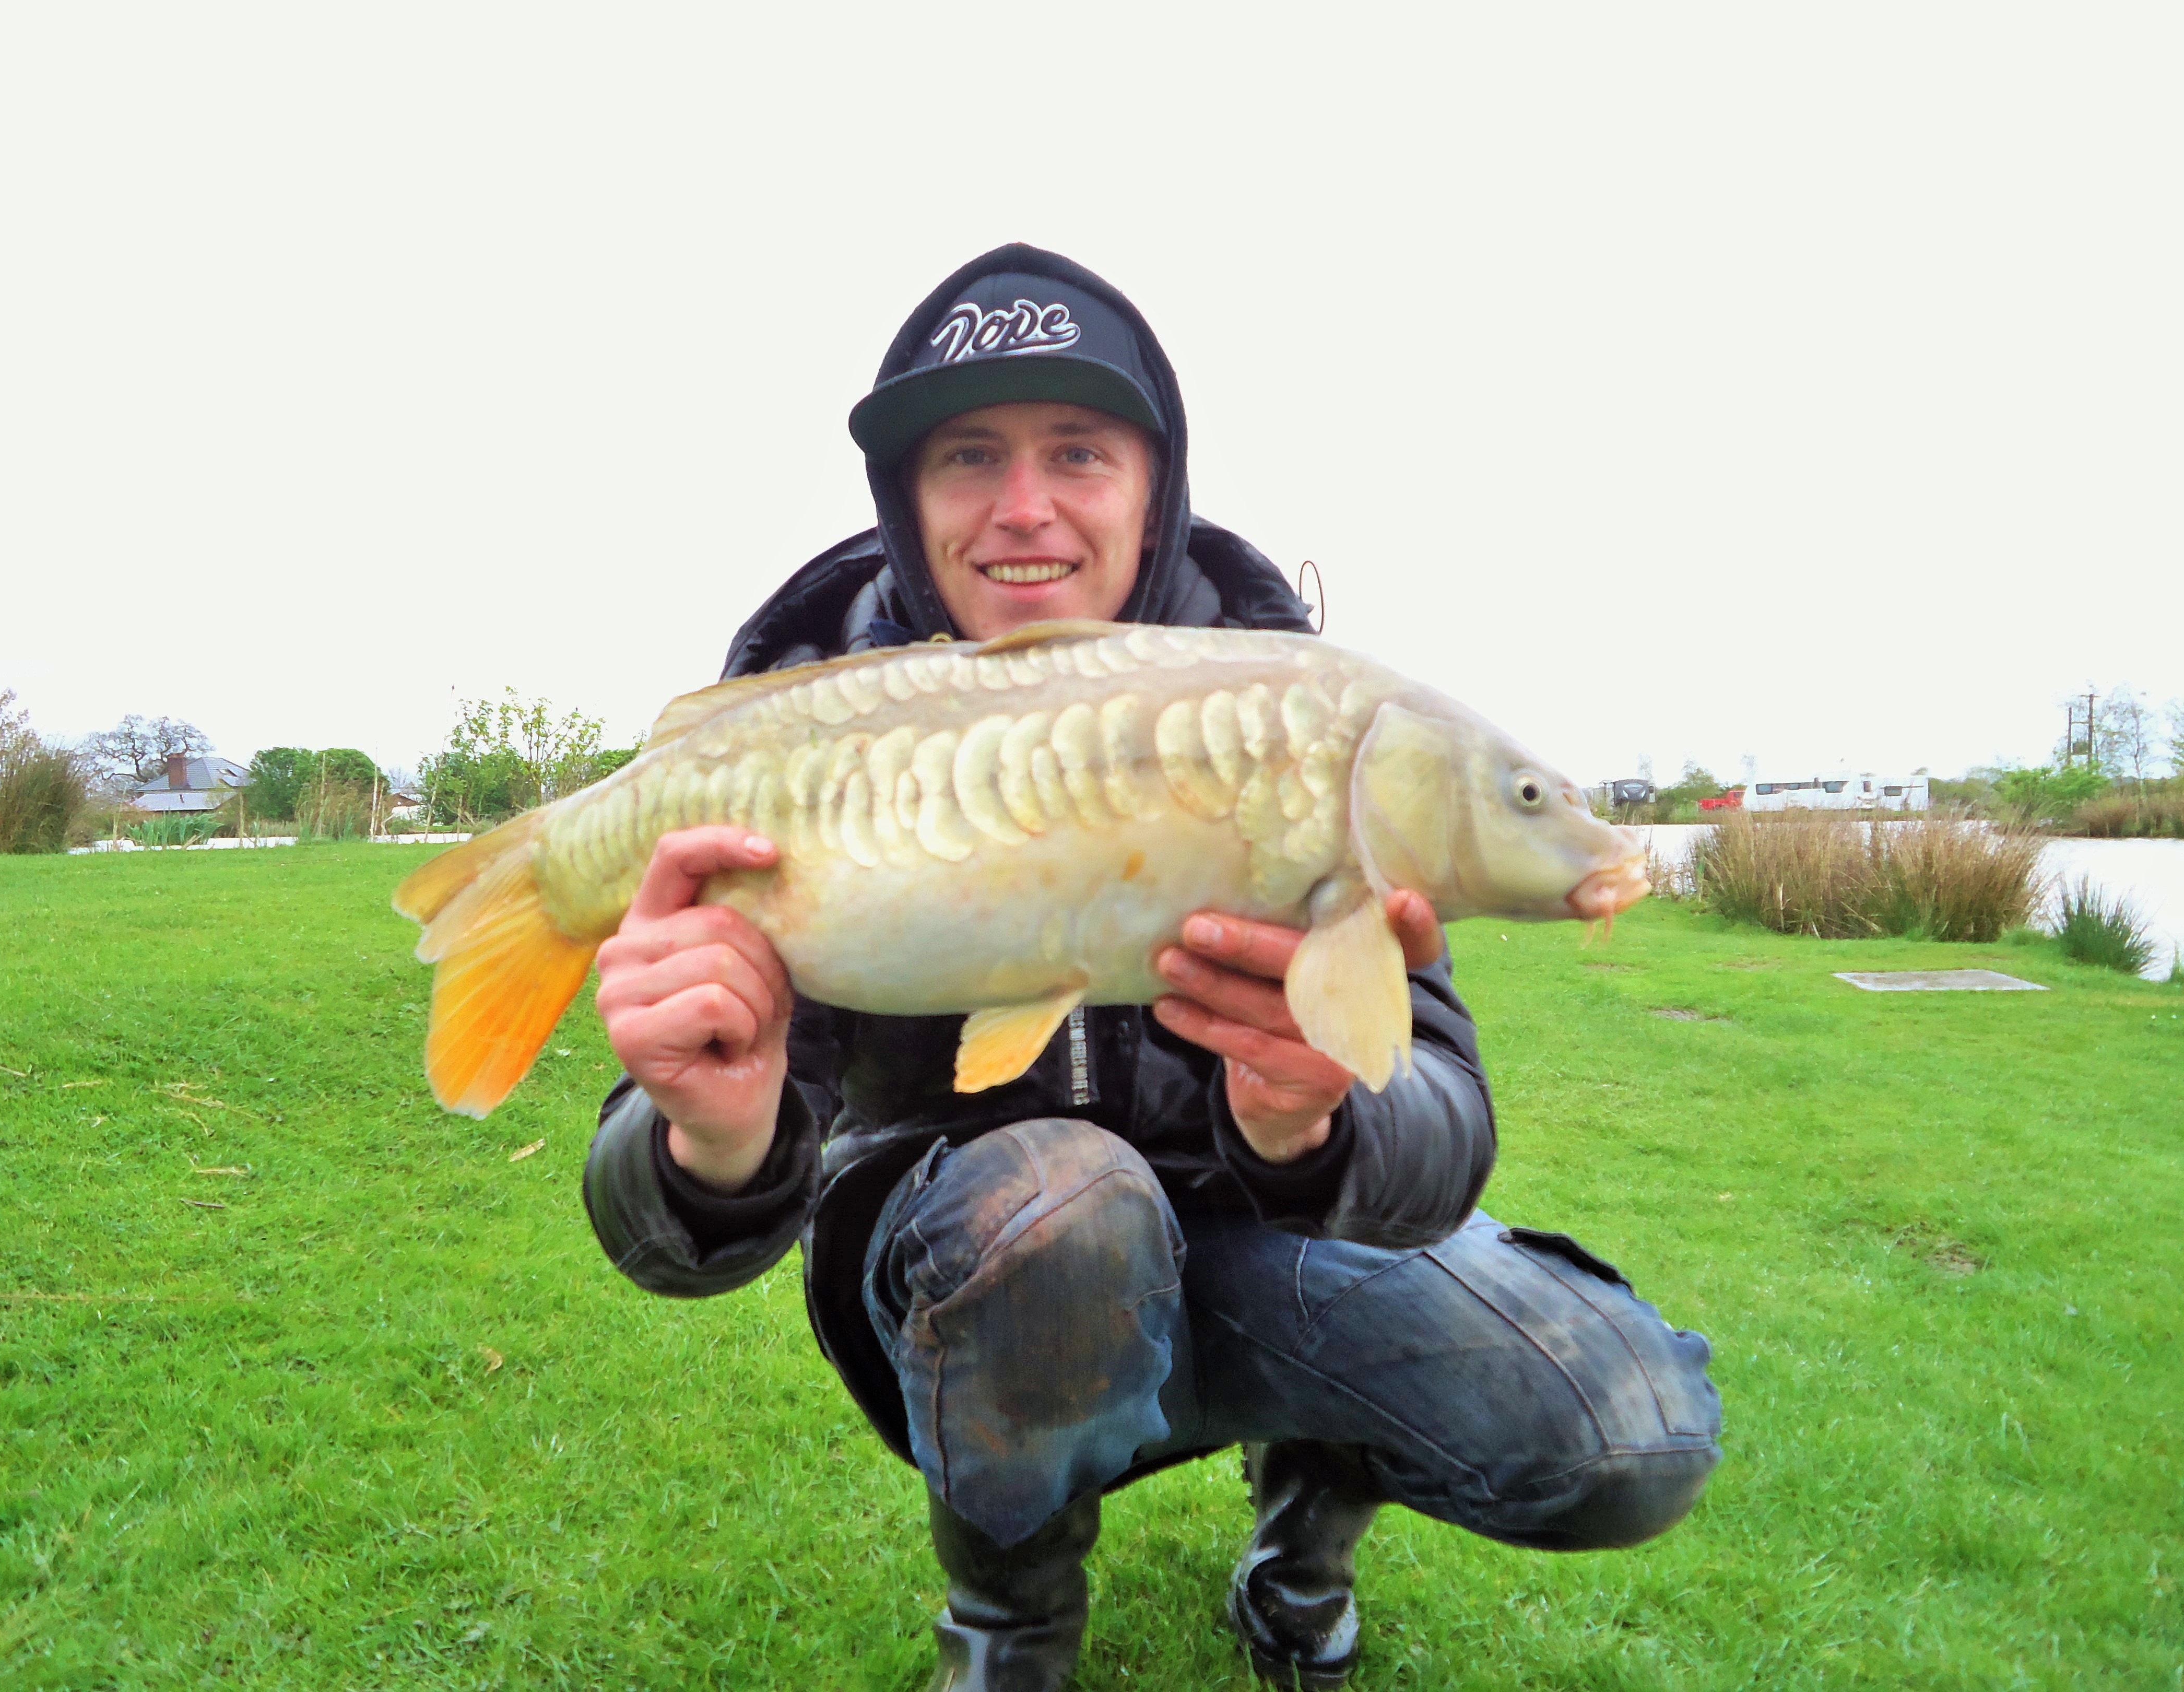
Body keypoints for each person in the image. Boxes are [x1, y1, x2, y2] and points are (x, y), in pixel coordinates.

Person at [581, 244, 1720, 1690]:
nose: (1025, 509)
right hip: (967, 1260)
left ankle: (1302, 1535)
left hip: (1250, 1244)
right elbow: (652, 1228)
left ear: (1155, 482)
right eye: (969, 458)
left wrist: (1310, 1124)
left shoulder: (1298, 708)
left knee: (1635, 1429)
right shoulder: (799, 735)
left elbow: (1443, 1133)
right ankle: (1009, 1618)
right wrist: (713, 1133)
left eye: (1079, 453)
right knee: (1060, 1203)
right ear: (905, 501)